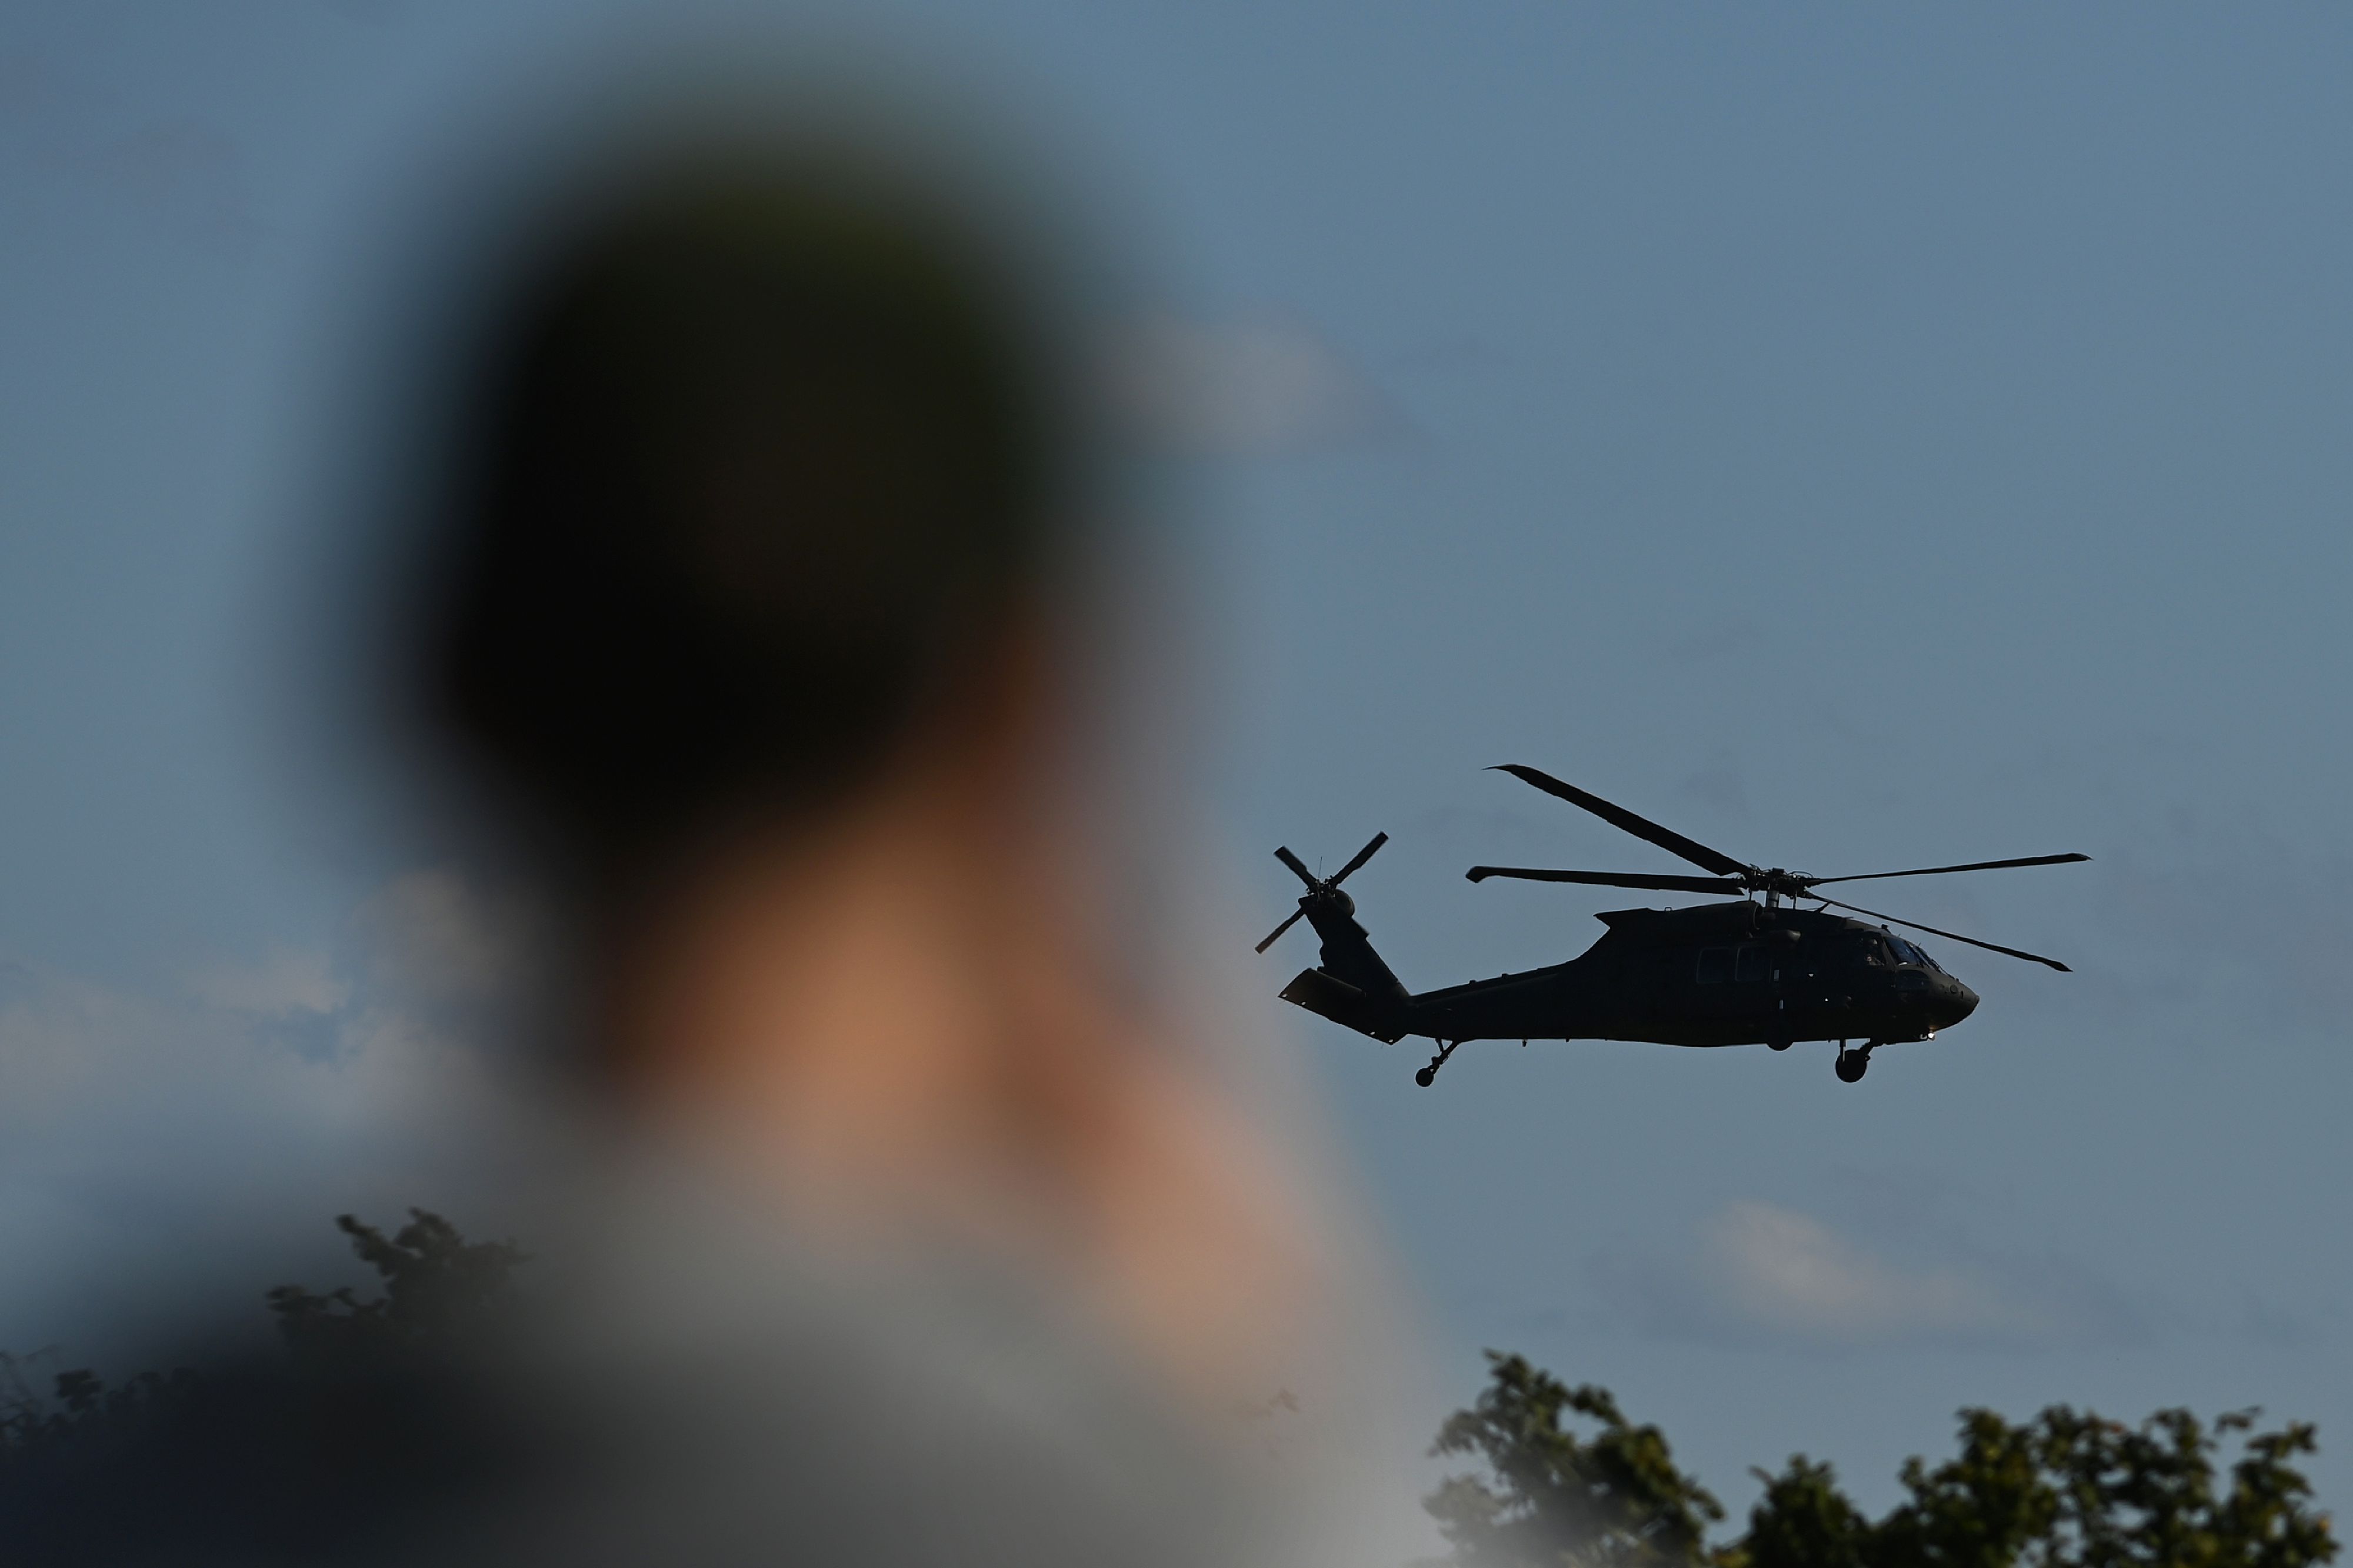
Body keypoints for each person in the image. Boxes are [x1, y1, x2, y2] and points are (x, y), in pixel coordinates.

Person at [1, 84, 1413, 1568]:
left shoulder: (95, 1500)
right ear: (1026, 709)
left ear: (428, 674)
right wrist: (1291, 1435)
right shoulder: (1158, 1520)